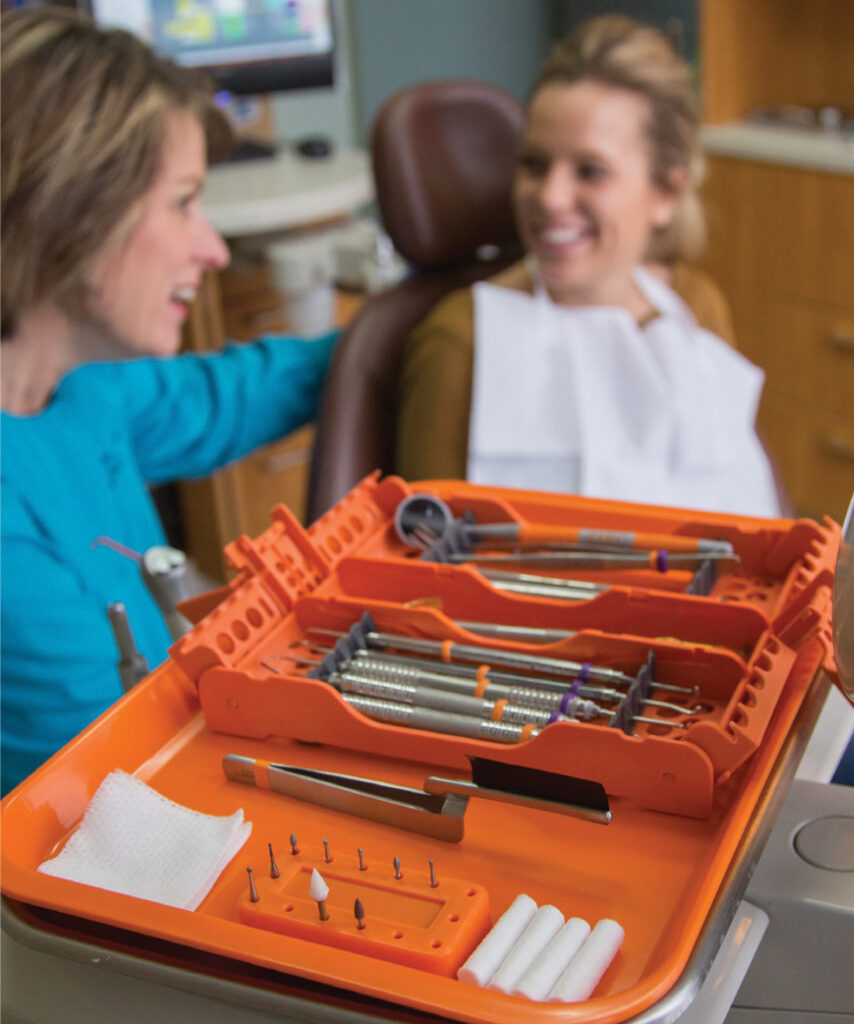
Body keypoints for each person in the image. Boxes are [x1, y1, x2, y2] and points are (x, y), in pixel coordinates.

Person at [0, 8, 338, 795]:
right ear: (76, 212)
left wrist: (411, 329)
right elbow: (125, 798)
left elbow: (230, 395)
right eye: (183, 202)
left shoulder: (76, 384)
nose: (212, 249)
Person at [395, 14, 781, 519]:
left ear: (666, 192)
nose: (550, 197)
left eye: (591, 171)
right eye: (533, 164)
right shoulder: (462, 338)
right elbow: (421, 562)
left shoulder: (697, 307)